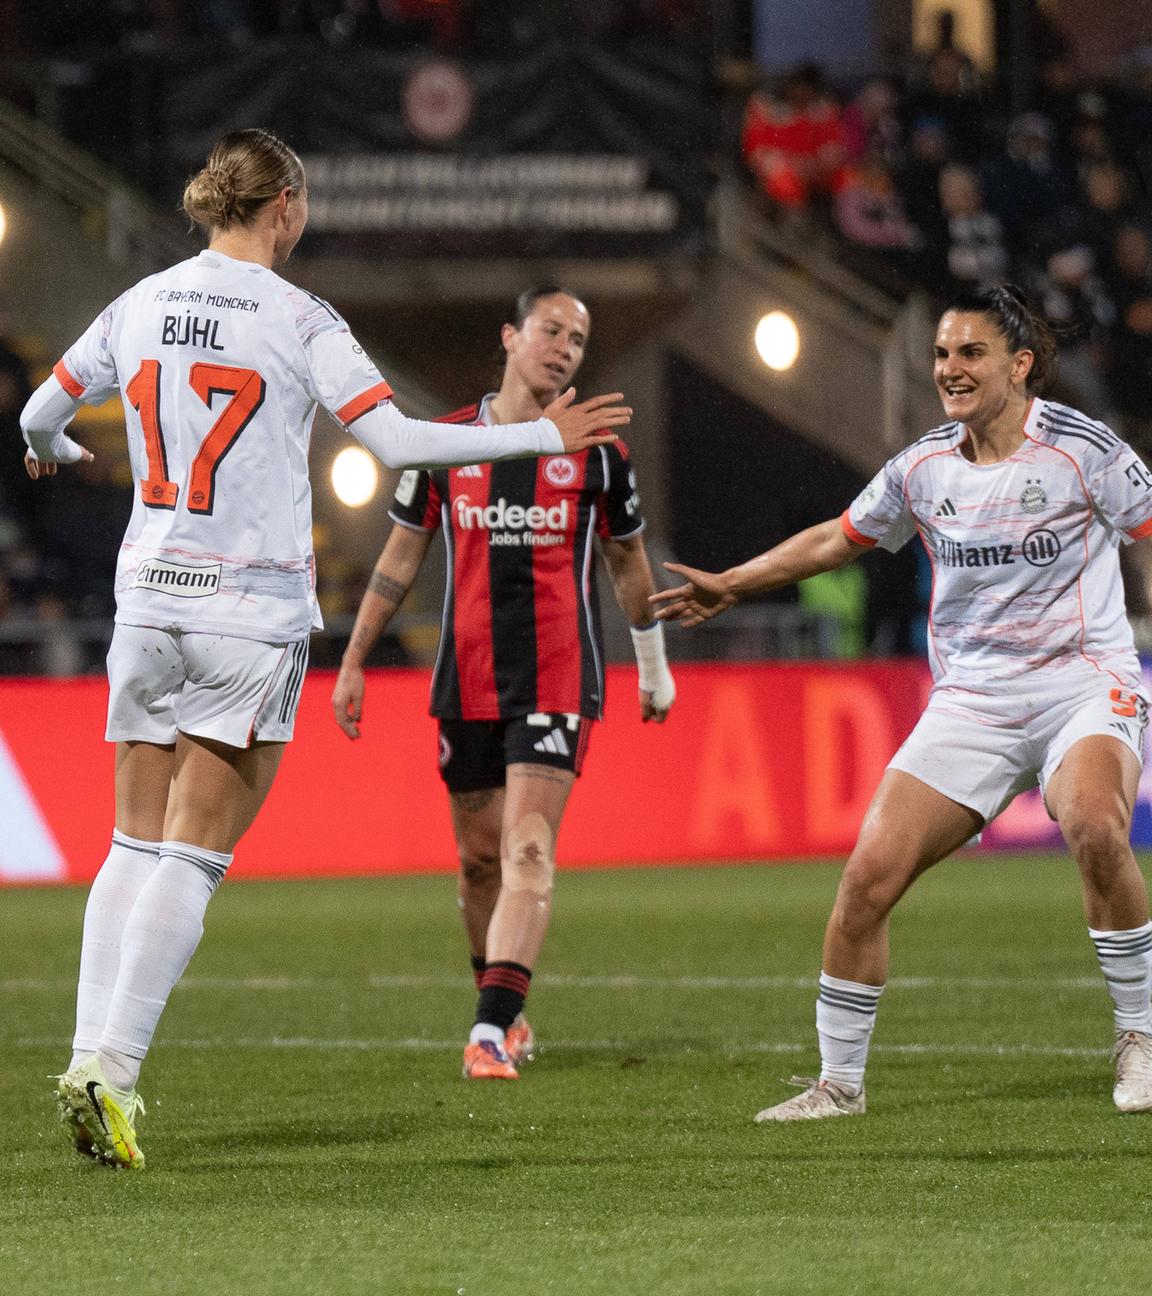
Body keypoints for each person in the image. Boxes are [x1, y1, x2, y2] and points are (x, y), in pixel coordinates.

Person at [19, 129, 630, 1169]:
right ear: (287, 206)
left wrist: (55, 449)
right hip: (243, 614)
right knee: (192, 854)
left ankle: (87, 1058)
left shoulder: (143, 300)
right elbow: (396, 442)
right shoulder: (300, 318)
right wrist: (540, 438)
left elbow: (40, 409)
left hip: (146, 601)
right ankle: (112, 1073)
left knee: (129, 842)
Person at [653, 284, 1152, 1122]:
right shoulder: (923, 466)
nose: (949, 370)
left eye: (970, 353)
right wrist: (733, 584)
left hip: (1081, 686)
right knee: (864, 883)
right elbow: (836, 537)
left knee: (1098, 828)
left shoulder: (1083, 450)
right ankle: (837, 1085)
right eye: (941, 355)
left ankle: (1139, 1039)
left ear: (1019, 365)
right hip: (971, 704)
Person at [331, 287, 675, 1080]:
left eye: (579, 340)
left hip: (557, 677)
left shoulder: (598, 452)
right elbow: (402, 553)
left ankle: (488, 1030)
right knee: (479, 863)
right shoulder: (445, 442)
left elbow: (628, 562)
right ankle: (502, 1005)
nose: (565, 348)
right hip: (467, 680)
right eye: (552, 330)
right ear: (511, 336)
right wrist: (353, 661)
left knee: (528, 847)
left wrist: (653, 668)